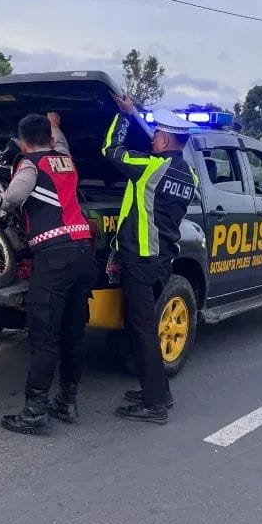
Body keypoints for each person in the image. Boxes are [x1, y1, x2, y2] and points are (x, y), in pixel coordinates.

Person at [0, 112, 95, 435]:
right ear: (49, 139)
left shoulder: (29, 166)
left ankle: (35, 411)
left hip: (54, 258)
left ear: (22, 143)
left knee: (44, 336)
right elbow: (60, 142)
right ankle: (67, 401)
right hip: (83, 253)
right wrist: (56, 124)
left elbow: (14, 198)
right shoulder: (64, 159)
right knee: (73, 333)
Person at [104, 100, 197, 425]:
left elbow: (110, 149)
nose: (153, 138)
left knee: (142, 330)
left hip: (141, 260)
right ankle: (159, 390)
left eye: (157, 135)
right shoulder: (189, 175)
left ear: (167, 141)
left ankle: (154, 404)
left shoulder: (150, 168)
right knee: (147, 327)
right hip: (163, 258)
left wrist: (124, 116)